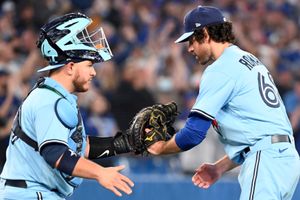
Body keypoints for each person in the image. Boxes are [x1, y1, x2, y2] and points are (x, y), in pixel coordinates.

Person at [147, 6, 300, 200]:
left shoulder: (220, 69)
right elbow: (257, 134)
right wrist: (220, 167)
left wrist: (161, 147)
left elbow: (193, 133)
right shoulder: (247, 59)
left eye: (191, 40)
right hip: (284, 158)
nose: (190, 48)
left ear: (204, 33)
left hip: (267, 161)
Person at [0, 13, 135, 200]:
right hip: (29, 194)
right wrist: (100, 173)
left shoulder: (54, 96)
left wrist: (128, 142)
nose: (94, 72)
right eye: (89, 65)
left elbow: (79, 145)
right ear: (70, 67)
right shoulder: (48, 100)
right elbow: (55, 152)